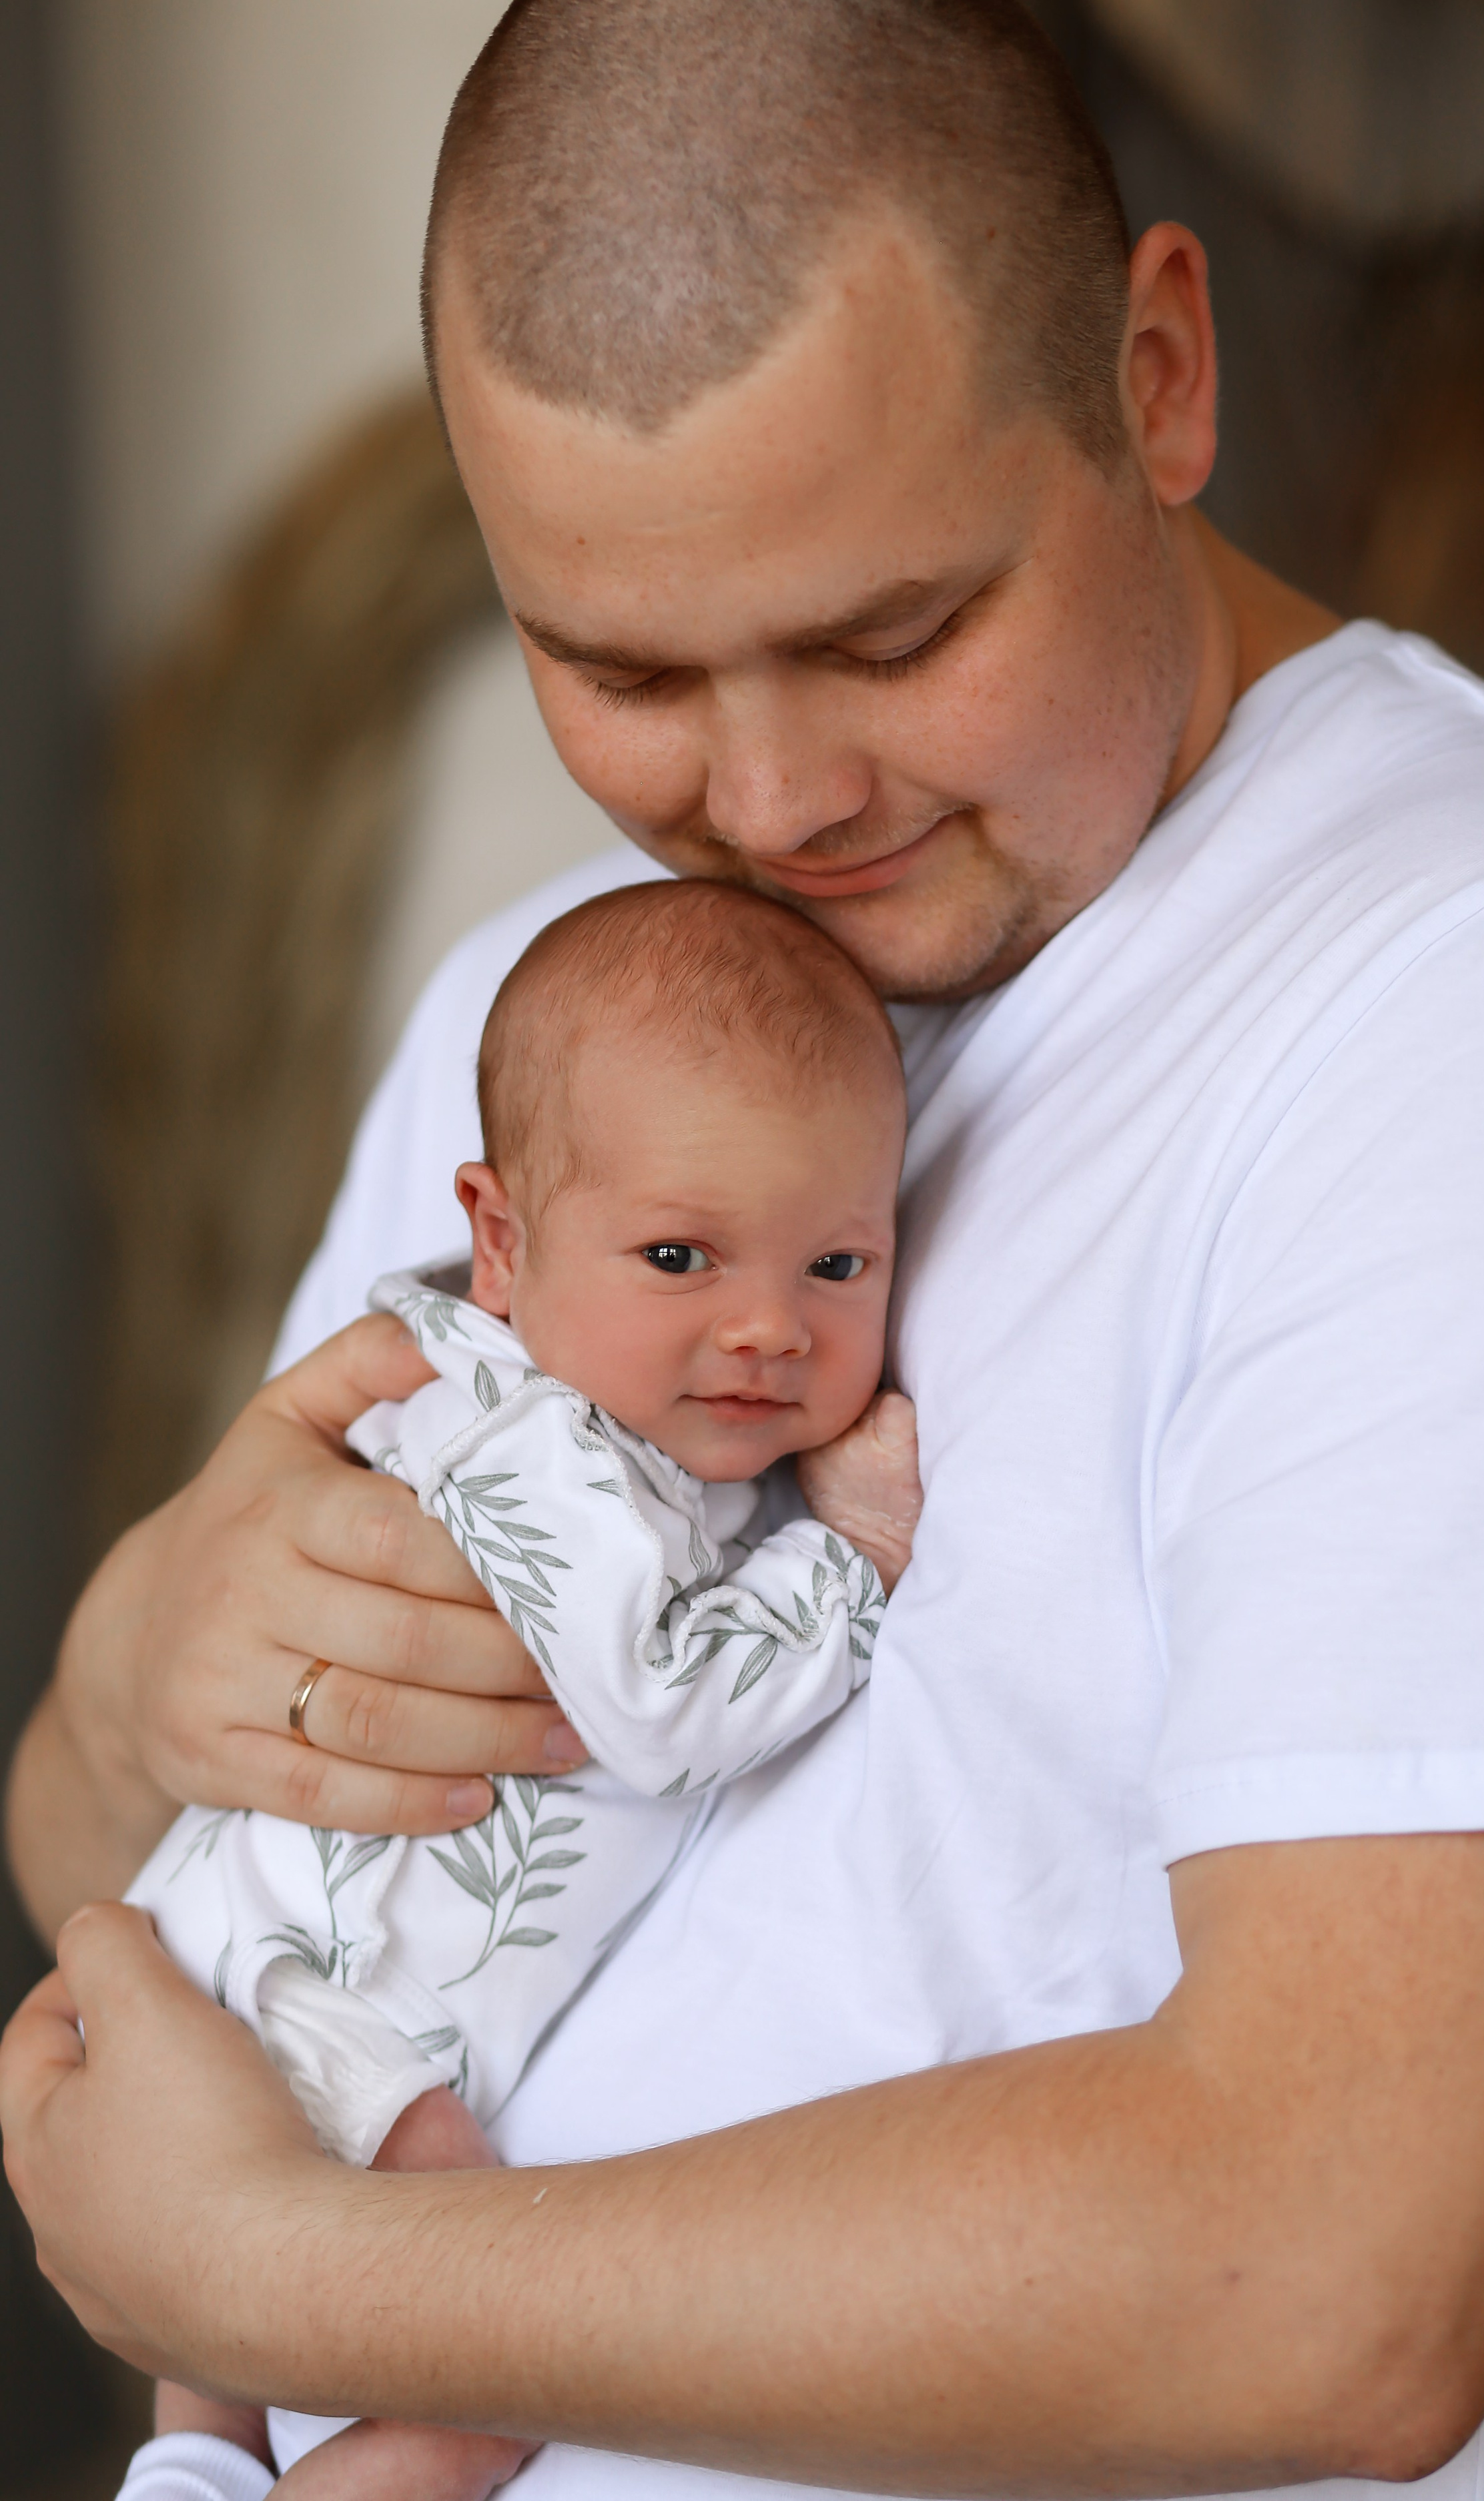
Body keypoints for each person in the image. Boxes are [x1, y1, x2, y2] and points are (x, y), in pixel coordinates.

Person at [5, 0, 1484, 2495]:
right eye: (624, 670)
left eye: (892, 632)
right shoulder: (542, 1008)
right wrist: (124, 1693)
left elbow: (1339, 2272)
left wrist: (268, 2280)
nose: (774, 797)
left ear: (1157, 378)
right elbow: (135, 1893)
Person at [128, 879, 921, 2496]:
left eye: (837, 1261)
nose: (768, 1328)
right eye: (680, 1254)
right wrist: (847, 1555)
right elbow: (663, 1710)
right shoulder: (544, 1457)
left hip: (233, 1953)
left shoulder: (563, 1395)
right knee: (480, 2394)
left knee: (207, 2376)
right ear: (502, 1241)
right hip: (331, 2004)